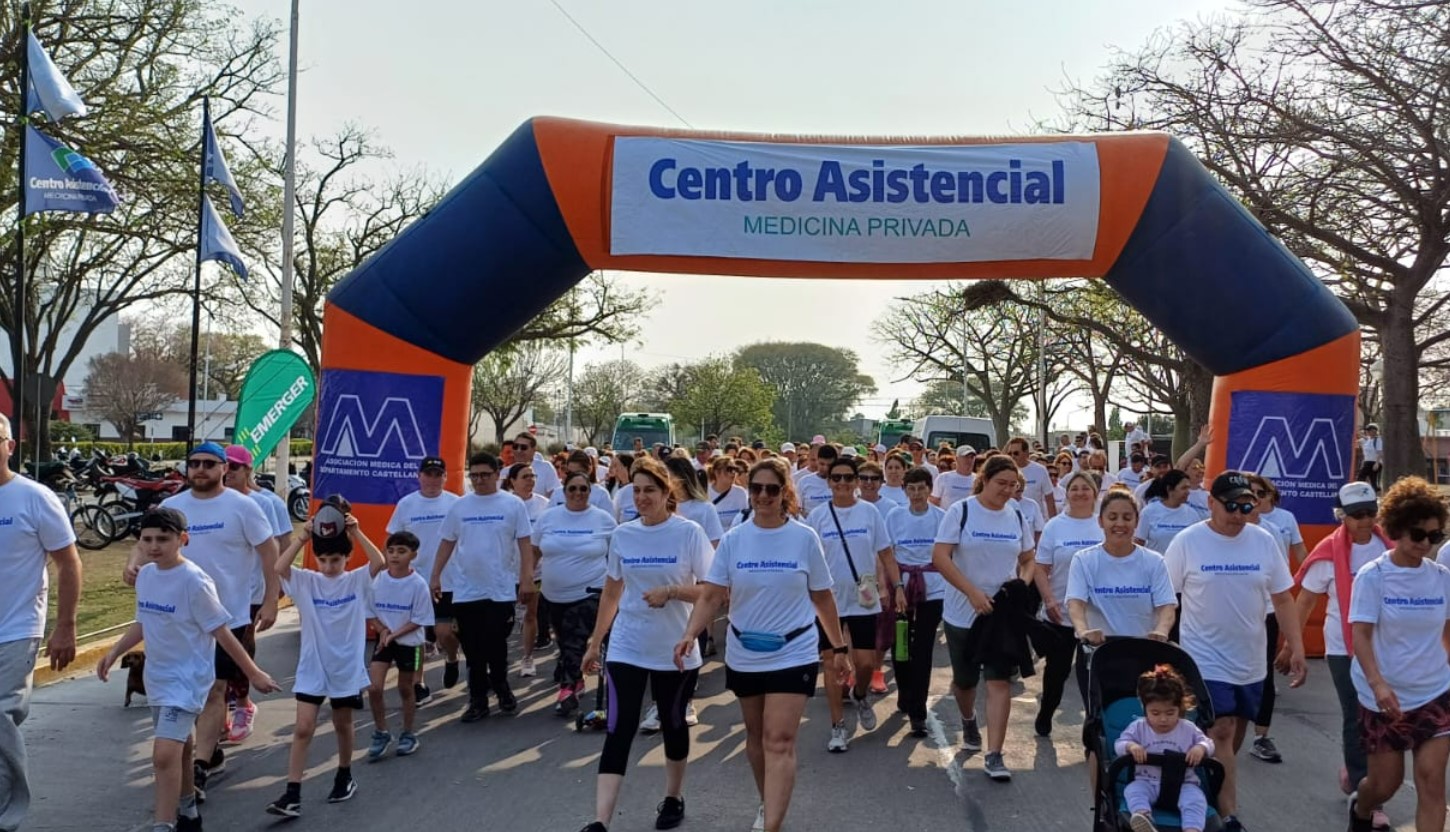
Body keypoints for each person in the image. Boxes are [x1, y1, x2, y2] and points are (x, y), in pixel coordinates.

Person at [676, 457, 848, 832]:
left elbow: (823, 597)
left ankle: (772, 825)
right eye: (756, 489)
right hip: (744, 651)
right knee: (756, 739)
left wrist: (838, 648)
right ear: (748, 492)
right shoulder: (736, 539)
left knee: (779, 739)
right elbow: (711, 595)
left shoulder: (804, 538)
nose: (763, 496)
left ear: (785, 492)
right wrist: (690, 633)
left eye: (772, 489)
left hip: (795, 650)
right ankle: (767, 802)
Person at [96, 508, 277, 832]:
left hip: (188, 680)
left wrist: (253, 673)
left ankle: (164, 824)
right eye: (147, 539)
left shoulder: (195, 581)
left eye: (162, 539)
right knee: (178, 749)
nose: (154, 546)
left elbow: (222, 632)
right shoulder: (148, 576)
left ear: (183, 539)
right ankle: (189, 811)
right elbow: (142, 623)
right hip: (158, 678)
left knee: (163, 755)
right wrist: (112, 653)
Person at [133, 442, 278, 801]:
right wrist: (132, 563)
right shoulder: (172, 506)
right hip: (177, 621)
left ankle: (197, 768)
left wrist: (273, 598)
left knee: (215, 688)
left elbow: (269, 551)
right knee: (188, 695)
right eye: (194, 463)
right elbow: (146, 540)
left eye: (208, 464)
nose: (200, 469)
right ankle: (201, 752)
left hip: (229, 615)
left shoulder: (244, 507)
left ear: (224, 468)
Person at [576, 456, 714, 832]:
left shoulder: (689, 533)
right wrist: (595, 642)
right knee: (619, 728)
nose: (641, 497)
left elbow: (713, 591)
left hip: (675, 649)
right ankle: (601, 821)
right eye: (635, 491)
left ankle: (673, 797)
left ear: (667, 491)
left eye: (649, 490)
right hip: (627, 645)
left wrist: (671, 591)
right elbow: (611, 592)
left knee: (672, 724)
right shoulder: (623, 535)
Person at [1163, 471, 1307, 832]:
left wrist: (1296, 646)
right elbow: (1166, 598)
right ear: (1210, 503)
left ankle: (1206, 789)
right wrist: (1159, 636)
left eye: (1247, 504)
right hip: (1204, 658)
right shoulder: (1187, 542)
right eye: (1231, 505)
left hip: (1251, 660)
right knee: (1222, 730)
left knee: (1233, 737)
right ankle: (1228, 816)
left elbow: (1283, 597)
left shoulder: (1263, 541)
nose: (1239, 513)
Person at [267, 501, 386, 817]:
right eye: (323, 559)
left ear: (347, 558)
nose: (329, 565)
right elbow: (279, 569)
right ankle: (292, 792)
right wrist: (302, 538)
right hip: (312, 667)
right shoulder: (307, 581)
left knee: (342, 723)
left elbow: (380, 561)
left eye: (335, 559)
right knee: (303, 727)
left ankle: (345, 774)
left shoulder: (356, 580)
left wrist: (356, 532)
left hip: (345, 667)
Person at [1285, 482, 1392, 830]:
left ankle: (1362, 772)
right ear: (1341, 516)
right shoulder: (1329, 552)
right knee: (1356, 714)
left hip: (1387, 648)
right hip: (1342, 647)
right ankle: (1366, 792)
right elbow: (1305, 601)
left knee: (1383, 717)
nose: (1364, 521)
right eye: (1356, 515)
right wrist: (1293, 646)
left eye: (1370, 513)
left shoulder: (1389, 547)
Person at [1346, 477, 1450, 832]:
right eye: (1417, 534)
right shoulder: (1374, 576)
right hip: (1383, 697)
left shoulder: (1442, 577)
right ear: (1396, 529)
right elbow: (1360, 634)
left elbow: (1447, 632)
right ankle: (1361, 810)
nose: (1426, 544)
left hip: (1434, 693)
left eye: (1435, 536)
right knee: (1383, 786)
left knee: (1432, 781)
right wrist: (1378, 685)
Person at [931, 455, 1036, 781]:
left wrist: (1020, 585)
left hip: (1001, 618)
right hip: (963, 615)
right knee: (965, 681)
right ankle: (967, 719)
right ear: (984, 479)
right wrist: (972, 592)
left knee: (999, 680)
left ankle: (994, 754)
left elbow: (1029, 559)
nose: (1007, 490)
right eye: (1001, 483)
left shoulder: (1017, 515)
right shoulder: (960, 511)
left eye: (1013, 485)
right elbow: (940, 557)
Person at [0, 413, 79, 832]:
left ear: (10, 446)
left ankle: (5, 817)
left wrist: (65, 625)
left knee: (0, 717)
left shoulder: (34, 497)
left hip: (16, 630)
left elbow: (69, 562)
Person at [805, 454, 902, 753]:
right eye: (837, 478)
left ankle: (860, 694)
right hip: (828, 599)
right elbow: (807, 561)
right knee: (832, 664)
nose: (843, 483)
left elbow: (886, 553)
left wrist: (896, 586)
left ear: (857, 481)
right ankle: (837, 726)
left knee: (864, 663)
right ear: (829, 482)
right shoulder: (818, 517)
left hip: (865, 592)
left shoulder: (870, 513)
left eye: (849, 478)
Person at [430, 452, 534, 722]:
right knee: (473, 649)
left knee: (496, 645)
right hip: (466, 590)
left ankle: (501, 688)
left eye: (485, 475)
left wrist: (526, 578)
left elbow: (524, 544)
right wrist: (435, 575)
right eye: (474, 475)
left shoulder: (512, 505)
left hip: (499, 588)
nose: (479, 480)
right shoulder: (460, 507)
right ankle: (477, 700)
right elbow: (446, 542)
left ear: (497, 475)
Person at [221, 444, 292, 742]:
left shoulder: (268, 503)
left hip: (254, 591)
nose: (228, 473)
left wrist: (278, 591)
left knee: (242, 649)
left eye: (234, 467)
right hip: (218, 590)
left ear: (248, 470)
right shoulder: (214, 501)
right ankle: (219, 704)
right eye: (223, 467)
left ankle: (242, 705)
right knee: (218, 652)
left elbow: (283, 545)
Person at [534, 471, 616, 718]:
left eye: (583, 489)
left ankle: (567, 689)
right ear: (564, 491)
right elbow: (535, 550)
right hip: (553, 595)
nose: (578, 494)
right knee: (565, 640)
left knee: (574, 638)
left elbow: (618, 554)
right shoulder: (548, 518)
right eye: (573, 489)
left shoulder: (603, 520)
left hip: (590, 591)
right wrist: (527, 577)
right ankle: (576, 678)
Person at [1031, 470, 1104, 737]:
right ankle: (1046, 712)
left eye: (1086, 488)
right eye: (1074, 488)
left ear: (1095, 494)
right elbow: (1040, 568)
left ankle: (1095, 727)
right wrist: (1048, 598)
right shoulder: (1055, 526)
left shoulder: (1103, 524)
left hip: (1097, 617)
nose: (1080, 493)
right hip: (1060, 614)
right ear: (1067, 493)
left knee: (1095, 676)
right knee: (1057, 673)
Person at [386, 456, 461, 701]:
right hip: (414, 582)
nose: (432, 479)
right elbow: (393, 542)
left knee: (444, 633)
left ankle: (451, 657)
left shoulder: (456, 504)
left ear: (445, 477)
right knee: (416, 637)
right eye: (428, 474)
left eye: (438, 474)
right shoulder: (406, 504)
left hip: (447, 580)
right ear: (419, 476)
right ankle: (418, 683)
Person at [1245, 474, 1307, 764]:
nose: (1254, 498)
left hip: (1266, 612)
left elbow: (1281, 589)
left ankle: (1261, 736)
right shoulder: (1216, 532)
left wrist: (1294, 645)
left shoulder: (1271, 532)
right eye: (1249, 493)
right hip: (1224, 616)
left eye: (1260, 493)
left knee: (1264, 674)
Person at [1116, 664, 1215, 832]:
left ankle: (1192, 829)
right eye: (1155, 713)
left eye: (1170, 713)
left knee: (1195, 800)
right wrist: (1131, 746)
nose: (1163, 719)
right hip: (1146, 780)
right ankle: (1144, 818)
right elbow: (1119, 744)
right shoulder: (1138, 727)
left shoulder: (1188, 728)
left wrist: (1200, 748)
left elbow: (1209, 744)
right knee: (1133, 791)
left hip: (1183, 783)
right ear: (1144, 709)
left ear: (1180, 709)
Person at [885, 465, 946, 736]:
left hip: (933, 590)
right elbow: (887, 555)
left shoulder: (942, 517)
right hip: (903, 587)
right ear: (904, 490)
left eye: (922, 488)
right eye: (911, 489)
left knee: (922, 649)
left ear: (930, 490)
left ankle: (918, 712)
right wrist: (896, 587)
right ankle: (905, 691)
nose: (917, 494)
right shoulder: (894, 517)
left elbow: (947, 555)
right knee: (901, 646)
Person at [364, 529, 435, 761]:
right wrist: (383, 630)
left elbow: (419, 619)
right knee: (374, 688)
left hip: (409, 643)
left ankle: (408, 733)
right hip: (385, 640)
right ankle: (381, 732)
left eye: (401, 551)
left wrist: (395, 634)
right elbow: (369, 612)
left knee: (406, 688)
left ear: (413, 555)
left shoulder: (418, 584)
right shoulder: (377, 580)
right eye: (391, 551)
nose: (395, 556)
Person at [507, 462, 552, 678]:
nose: (530, 480)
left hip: (536, 571)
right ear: (512, 481)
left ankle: (527, 657)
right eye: (525, 476)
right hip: (506, 572)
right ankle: (500, 657)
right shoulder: (504, 504)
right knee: (503, 619)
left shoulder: (544, 505)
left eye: (532, 476)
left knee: (530, 615)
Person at [1135, 470, 1205, 554]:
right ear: (1169, 489)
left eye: (1188, 488)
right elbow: (1139, 542)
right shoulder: (1149, 512)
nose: (1188, 492)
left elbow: (1197, 543)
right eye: (1183, 488)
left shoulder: (1192, 514)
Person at [1006, 436, 1056, 519]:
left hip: (1035, 522)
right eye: (1009, 454)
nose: (1012, 456)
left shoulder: (1040, 470)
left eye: (1016, 453)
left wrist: (1053, 523)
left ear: (1026, 453)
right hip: (1011, 519)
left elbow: (1049, 498)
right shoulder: (1004, 471)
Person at [513, 432, 560, 498]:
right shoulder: (505, 471)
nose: (518, 450)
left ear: (534, 449)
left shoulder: (545, 468)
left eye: (523, 447)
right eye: (515, 446)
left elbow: (555, 494)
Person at [929, 445, 977, 509]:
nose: (969, 460)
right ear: (957, 458)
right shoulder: (943, 478)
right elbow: (933, 502)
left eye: (971, 457)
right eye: (965, 457)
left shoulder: (979, 480)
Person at [795, 443, 835, 516]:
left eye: (829, 465)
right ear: (817, 461)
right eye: (822, 464)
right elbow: (797, 508)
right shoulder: (804, 482)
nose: (825, 468)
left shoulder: (841, 482)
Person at [1357, 425, 1383, 492]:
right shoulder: (1367, 440)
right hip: (1367, 462)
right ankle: (1370, 492)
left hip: (1374, 462)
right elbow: (1365, 454)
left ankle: (1370, 493)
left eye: (1369, 430)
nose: (1367, 432)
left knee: (1364, 478)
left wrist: (1377, 463)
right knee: (1366, 479)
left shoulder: (1378, 440)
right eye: (1367, 431)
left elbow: (1379, 452)